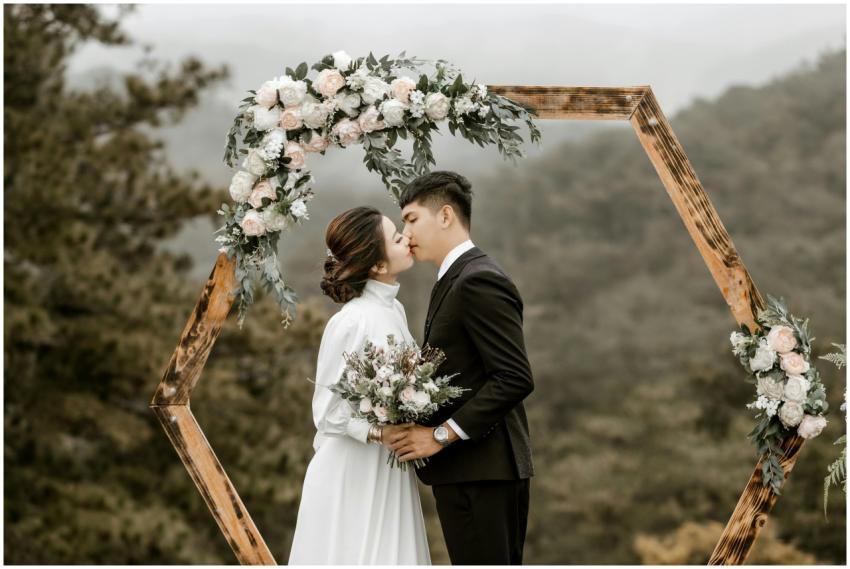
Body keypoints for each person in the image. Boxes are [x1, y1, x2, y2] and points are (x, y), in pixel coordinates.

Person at [387, 171, 535, 565]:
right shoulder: (452, 278)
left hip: (485, 472)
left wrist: (439, 435)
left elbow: (514, 377)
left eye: (412, 218)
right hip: (468, 472)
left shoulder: (478, 279)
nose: (406, 232)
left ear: (446, 215)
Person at [288, 206, 431, 565]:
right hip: (352, 471)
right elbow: (325, 411)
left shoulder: (394, 310)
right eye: (397, 238)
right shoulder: (350, 321)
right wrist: (378, 433)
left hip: (387, 468)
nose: (406, 238)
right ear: (378, 265)